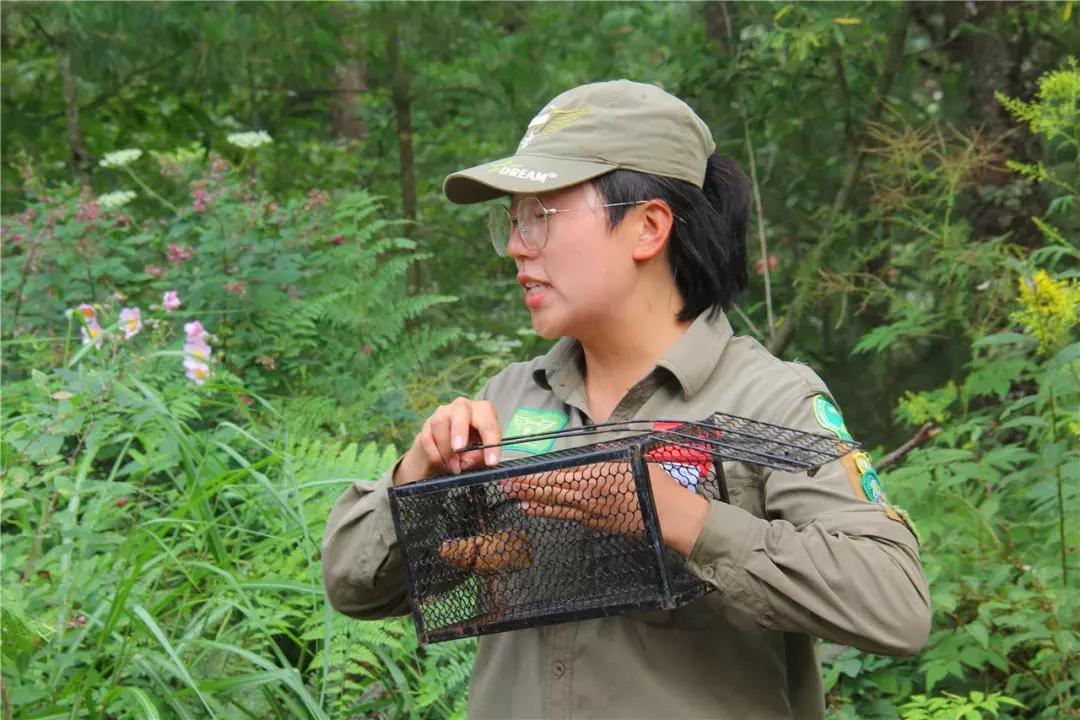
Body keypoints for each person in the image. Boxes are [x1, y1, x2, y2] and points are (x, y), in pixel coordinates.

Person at [322, 80, 930, 720]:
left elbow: (895, 607)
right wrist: (422, 473)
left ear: (647, 227)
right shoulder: (508, 401)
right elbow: (353, 587)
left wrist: (675, 516)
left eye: (542, 216)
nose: (517, 246)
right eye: (512, 219)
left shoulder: (766, 401)